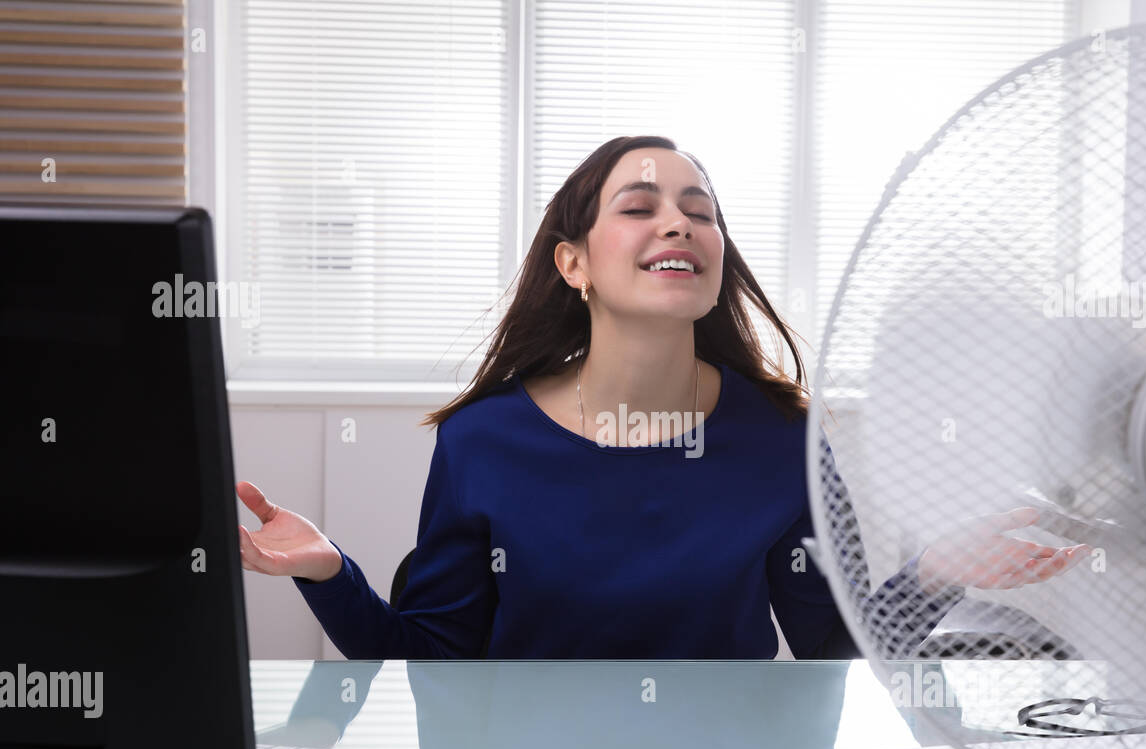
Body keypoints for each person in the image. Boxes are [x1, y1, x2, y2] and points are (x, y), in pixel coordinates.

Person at [236, 135, 1085, 659]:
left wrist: (935, 574)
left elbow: (830, 650)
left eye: (700, 211)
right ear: (574, 265)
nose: (678, 224)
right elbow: (430, 661)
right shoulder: (482, 441)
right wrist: (328, 573)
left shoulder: (784, 435)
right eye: (639, 207)